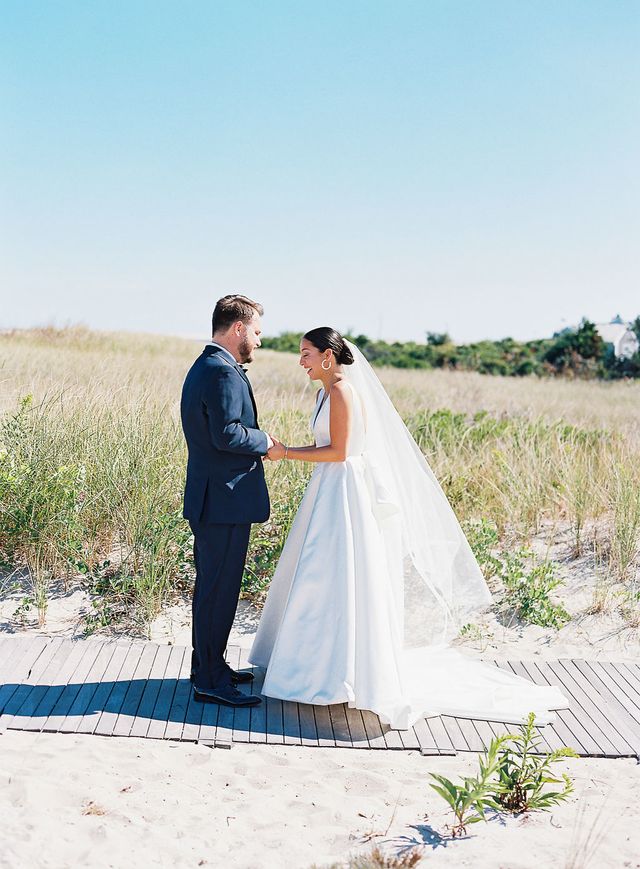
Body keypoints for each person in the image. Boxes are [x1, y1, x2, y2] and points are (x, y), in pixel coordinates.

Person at [249, 327, 568, 729]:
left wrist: (287, 453)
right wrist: (288, 451)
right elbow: (326, 446)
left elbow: (341, 451)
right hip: (326, 489)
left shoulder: (343, 392)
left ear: (328, 356)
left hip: (344, 490)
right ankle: (316, 671)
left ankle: (343, 676)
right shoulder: (322, 394)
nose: (301, 362)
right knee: (320, 576)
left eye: (306, 354)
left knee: (342, 574)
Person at [180, 294, 275, 708]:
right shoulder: (221, 371)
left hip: (216, 499)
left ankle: (209, 667)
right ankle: (210, 680)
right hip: (222, 500)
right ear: (238, 328)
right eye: (256, 332)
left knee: (214, 589)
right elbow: (227, 434)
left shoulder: (209, 365)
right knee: (218, 592)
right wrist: (266, 441)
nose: (258, 340)